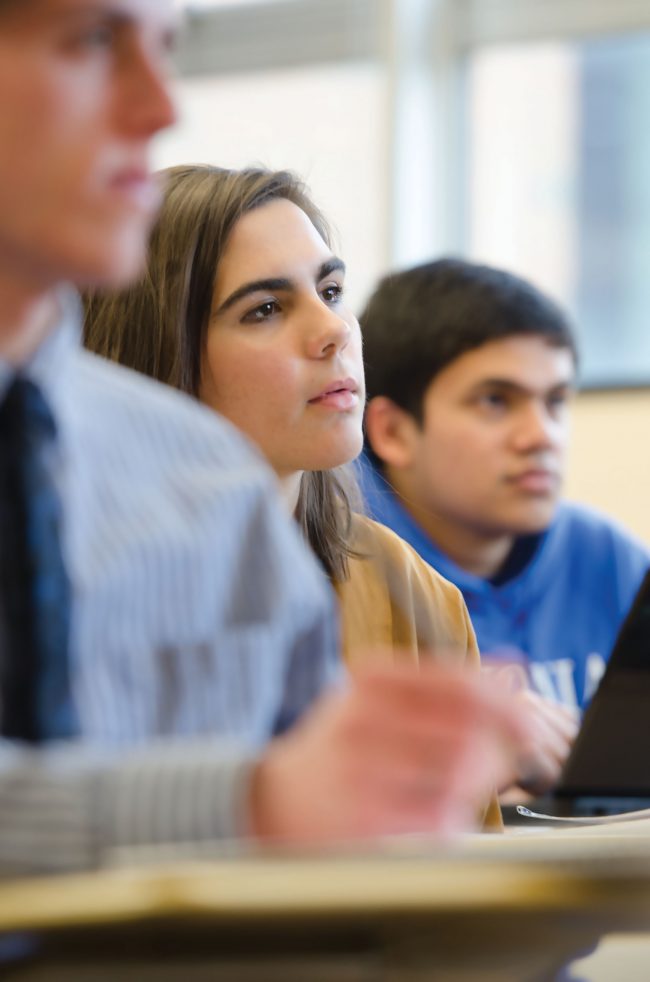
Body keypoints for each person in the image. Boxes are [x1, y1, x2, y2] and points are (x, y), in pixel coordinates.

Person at [0, 0, 526, 878]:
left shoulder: (214, 492)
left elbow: (356, 885)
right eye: (92, 41)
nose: (162, 105)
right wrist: (246, 804)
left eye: (332, 291)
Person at [83, 163, 505, 828]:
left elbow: (464, 869)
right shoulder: (75, 593)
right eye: (266, 309)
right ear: (158, 357)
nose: (332, 329)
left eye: (331, 290)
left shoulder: (406, 585)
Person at [359, 257, 649, 793]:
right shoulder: (339, 569)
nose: (541, 436)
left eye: (556, 401)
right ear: (393, 431)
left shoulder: (609, 557)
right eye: (495, 401)